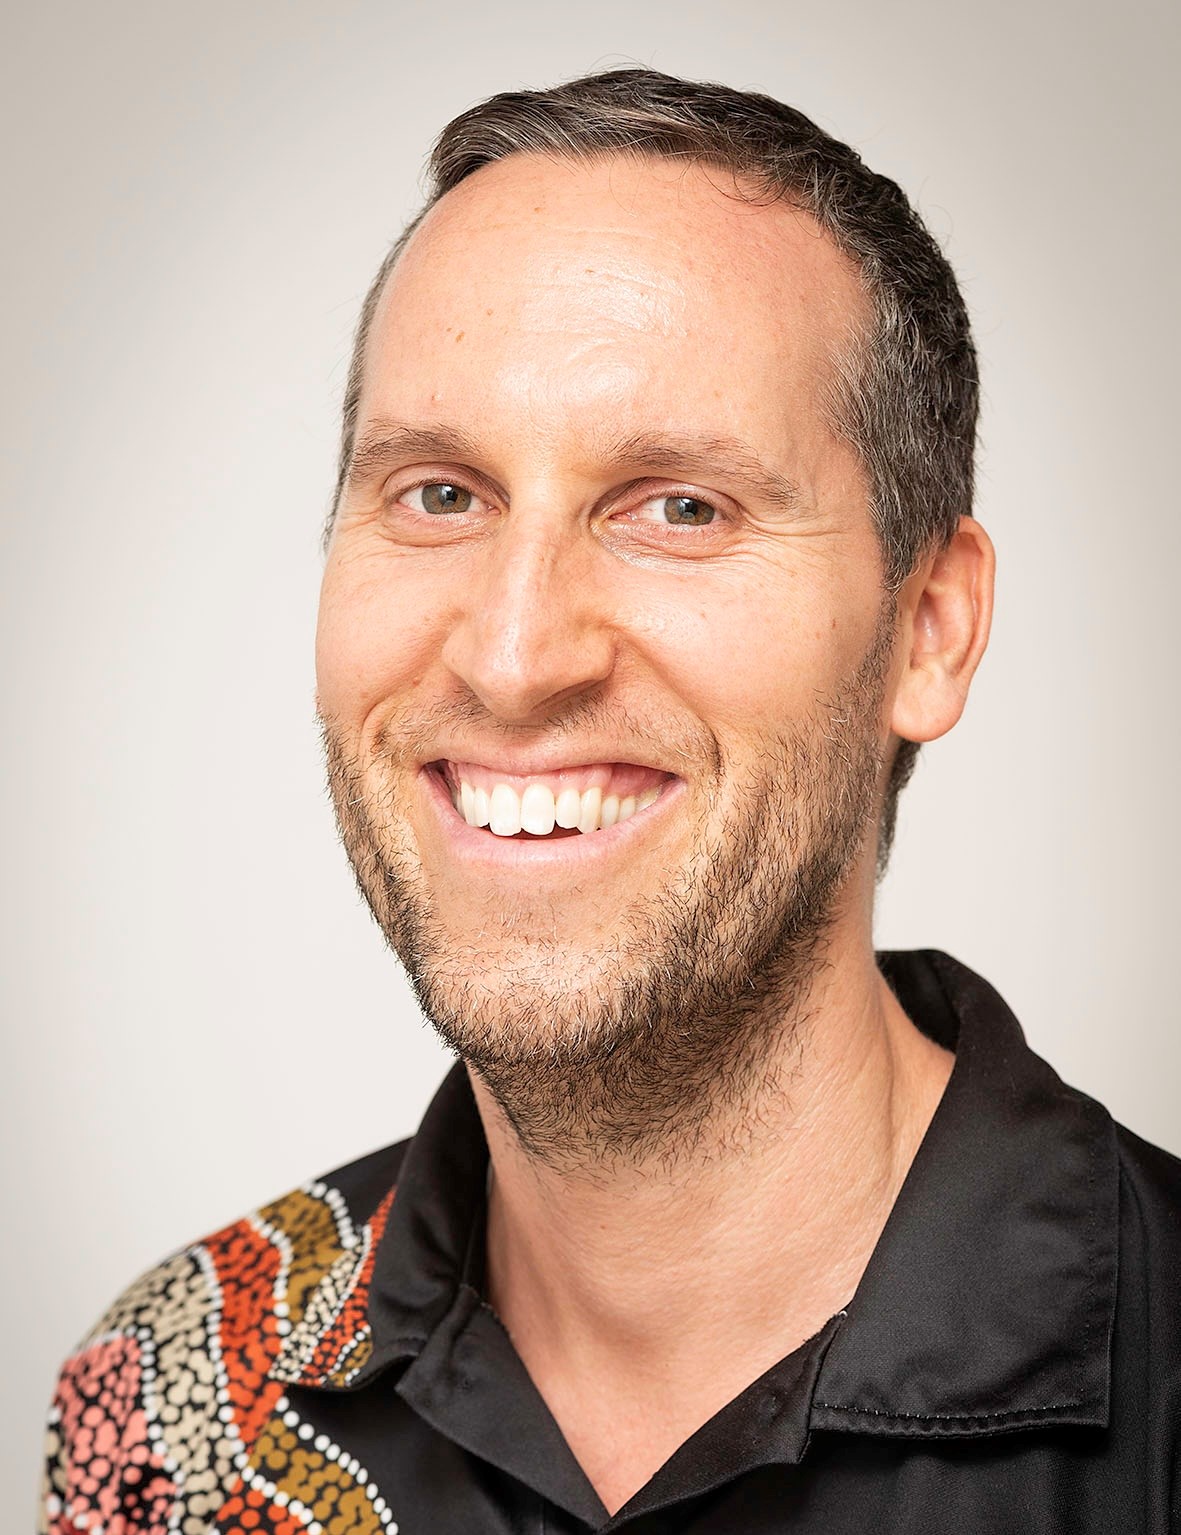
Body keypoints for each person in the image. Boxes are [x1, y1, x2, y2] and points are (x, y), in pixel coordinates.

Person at [40, 68, 1179, 1535]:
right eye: (440, 494)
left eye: (678, 508)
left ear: (928, 629)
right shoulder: (169, 1407)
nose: (515, 657)